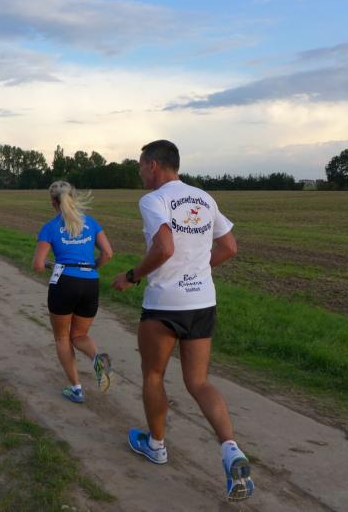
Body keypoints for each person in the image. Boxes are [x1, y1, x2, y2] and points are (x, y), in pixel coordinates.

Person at [111, 140, 254, 501]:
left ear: (154, 165)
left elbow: (164, 248)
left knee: (153, 375)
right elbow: (230, 247)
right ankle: (231, 450)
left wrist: (131, 276)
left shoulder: (154, 200)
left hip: (165, 304)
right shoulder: (204, 198)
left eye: (140, 166)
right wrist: (198, 270)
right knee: (199, 381)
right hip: (202, 301)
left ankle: (156, 445)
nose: (139, 173)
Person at [33, 180, 114, 404]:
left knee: (62, 337)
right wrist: (92, 267)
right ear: (74, 198)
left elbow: (38, 264)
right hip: (90, 282)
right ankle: (98, 360)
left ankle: (76, 389)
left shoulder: (49, 227)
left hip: (64, 283)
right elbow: (108, 253)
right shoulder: (91, 222)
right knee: (79, 335)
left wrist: (50, 264)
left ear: (53, 203)